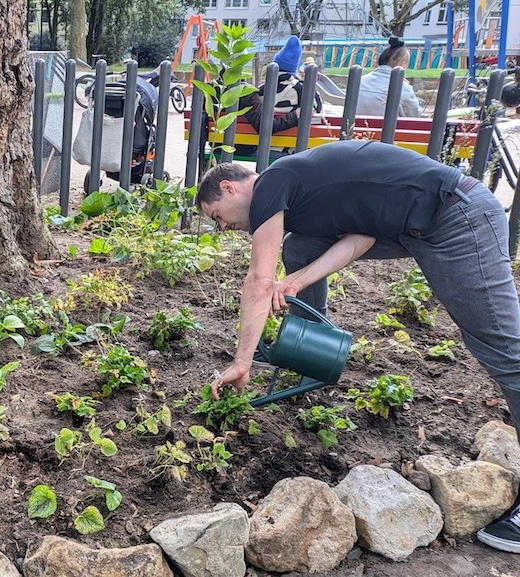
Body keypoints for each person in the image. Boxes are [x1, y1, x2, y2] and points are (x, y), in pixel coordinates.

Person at [194, 140, 520, 553]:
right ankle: (309, 349)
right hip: (409, 228)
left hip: (457, 218)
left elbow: (259, 279)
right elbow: (361, 238)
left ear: (229, 188)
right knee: (302, 246)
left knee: (506, 355)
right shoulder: (305, 194)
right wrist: (295, 282)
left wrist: (241, 362)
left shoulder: (274, 180)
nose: (223, 229)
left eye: (218, 218)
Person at [264, 36, 322, 156]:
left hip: (260, 146)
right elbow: (318, 111)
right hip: (292, 150)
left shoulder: (260, 91)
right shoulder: (307, 92)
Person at [356, 37, 423, 117]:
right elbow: (415, 116)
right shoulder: (403, 88)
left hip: (357, 128)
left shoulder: (359, 82)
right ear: (402, 64)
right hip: (388, 129)